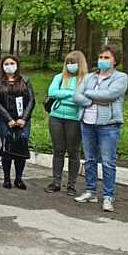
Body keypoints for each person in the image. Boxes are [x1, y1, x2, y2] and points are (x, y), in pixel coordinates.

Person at [73, 46, 128, 212]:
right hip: (87, 123)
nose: (102, 60)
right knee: (90, 159)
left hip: (108, 125)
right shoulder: (89, 77)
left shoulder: (121, 77)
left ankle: (108, 196)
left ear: (115, 60)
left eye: (107, 57)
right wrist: (92, 100)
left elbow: (110, 95)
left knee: (108, 162)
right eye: (101, 57)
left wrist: (88, 94)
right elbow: (76, 96)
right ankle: (90, 191)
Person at [45, 51, 88, 196]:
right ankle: (56, 182)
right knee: (58, 150)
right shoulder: (59, 77)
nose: (70, 65)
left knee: (73, 151)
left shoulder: (85, 79)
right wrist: (71, 93)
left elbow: (82, 98)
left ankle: (71, 185)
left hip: (74, 119)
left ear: (80, 64)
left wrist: (62, 94)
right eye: (68, 62)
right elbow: (51, 92)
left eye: (73, 62)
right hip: (56, 117)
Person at [0, 55, 35, 190]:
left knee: (21, 147)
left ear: (17, 65)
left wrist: (24, 118)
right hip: (6, 121)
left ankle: (19, 178)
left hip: (23, 120)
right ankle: (6, 178)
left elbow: (31, 101)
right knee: (7, 148)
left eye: (12, 63)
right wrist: (9, 119)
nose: (9, 66)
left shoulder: (25, 81)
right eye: (6, 64)